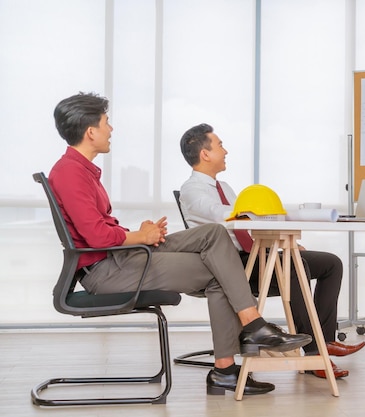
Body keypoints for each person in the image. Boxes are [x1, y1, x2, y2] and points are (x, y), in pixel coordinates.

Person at [49, 92, 313, 396]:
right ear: (90, 131)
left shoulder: (82, 170)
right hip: (108, 271)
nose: (111, 129)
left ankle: (242, 344)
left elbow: (97, 227)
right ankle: (233, 356)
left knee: (214, 235)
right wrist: (140, 237)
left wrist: (140, 233)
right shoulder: (71, 172)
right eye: (107, 123)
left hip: (121, 257)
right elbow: (95, 236)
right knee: (220, 270)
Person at [178, 123, 365, 379]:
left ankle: (325, 339)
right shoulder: (192, 190)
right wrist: (257, 214)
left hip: (253, 255)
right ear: (205, 154)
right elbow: (225, 216)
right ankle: (313, 353)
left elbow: (247, 222)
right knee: (292, 265)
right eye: (220, 145)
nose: (226, 151)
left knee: (330, 264)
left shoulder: (226, 188)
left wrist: (281, 239)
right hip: (230, 265)